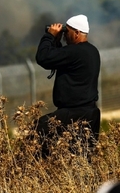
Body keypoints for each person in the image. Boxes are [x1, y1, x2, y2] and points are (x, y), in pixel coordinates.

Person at [35, 14, 101, 157]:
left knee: (37, 132)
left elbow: (44, 58)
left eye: (67, 31)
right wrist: (57, 43)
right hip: (90, 113)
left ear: (77, 33)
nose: (64, 35)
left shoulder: (74, 52)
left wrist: (50, 37)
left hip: (72, 113)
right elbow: (61, 58)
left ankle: (35, 172)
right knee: (81, 157)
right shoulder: (92, 51)